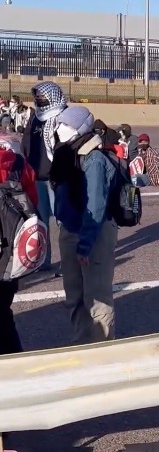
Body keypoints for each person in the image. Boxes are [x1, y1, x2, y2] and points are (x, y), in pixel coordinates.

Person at [50, 105, 119, 344]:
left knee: (97, 297)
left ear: (79, 129)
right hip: (70, 228)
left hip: (94, 231)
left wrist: (85, 244)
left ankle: (101, 350)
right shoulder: (66, 153)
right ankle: (82, 345)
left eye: (65, 125)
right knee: (74, 297)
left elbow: (96, 205)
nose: (60, 129)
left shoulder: (94, 159)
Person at [21, 81, 68, 275]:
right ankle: (43, 261)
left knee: (63, 219)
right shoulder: (35, 118)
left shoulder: (63, 117)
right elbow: (26, 143)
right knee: (39, 221)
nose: (39, 99)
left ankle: (68, 262)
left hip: (56, 177)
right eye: (37, 96)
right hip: (36, 177)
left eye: (43, 96)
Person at [0, 135, 39, 354]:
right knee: (4, 312)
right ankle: (14, 359)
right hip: (11, 253)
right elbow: (33, 205)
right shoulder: (18, 163)